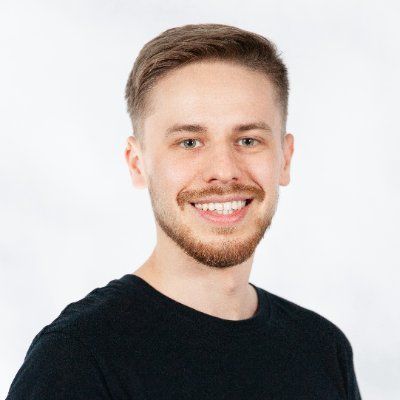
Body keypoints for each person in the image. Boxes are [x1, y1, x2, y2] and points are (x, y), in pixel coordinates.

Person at [6, 23, 362, 399]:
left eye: (248, 140)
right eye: (189, 142)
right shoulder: (76, 360)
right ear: (138, 163)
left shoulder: (322, 348)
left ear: (285, 159)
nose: (223, 170)